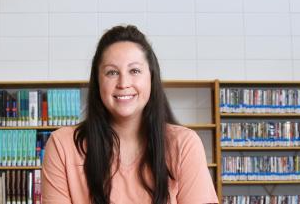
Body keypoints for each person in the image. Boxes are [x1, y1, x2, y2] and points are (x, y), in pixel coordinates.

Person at [41, 25, 218, 204]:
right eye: (112, 72)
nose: (123, 83)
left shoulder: (184, 145)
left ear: (151, 77)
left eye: (134, 71)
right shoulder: (61, 145)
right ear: (97, 81)